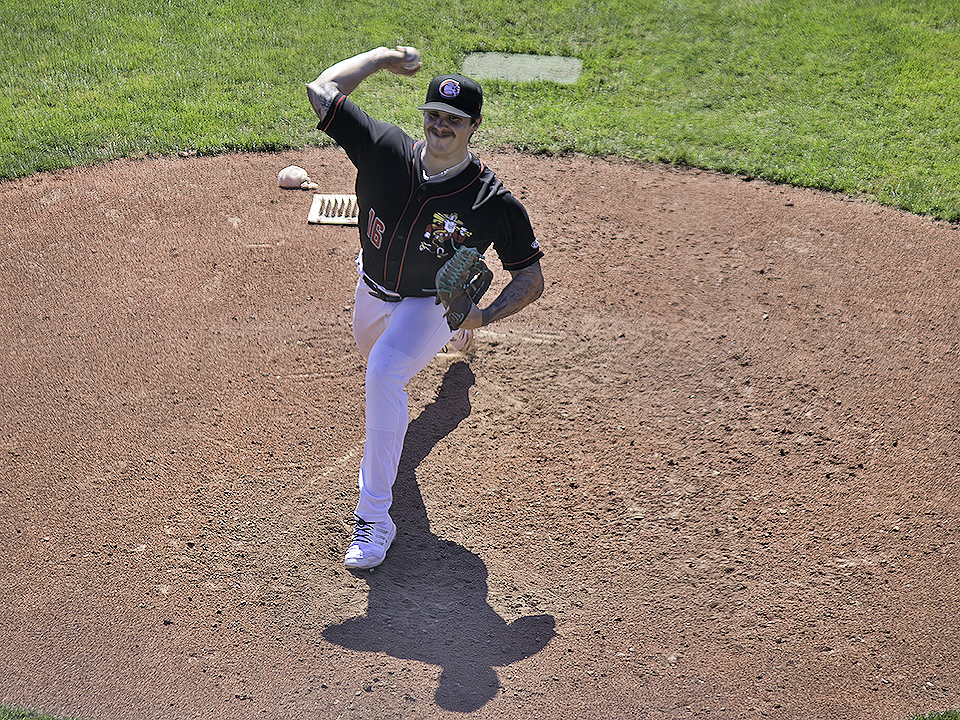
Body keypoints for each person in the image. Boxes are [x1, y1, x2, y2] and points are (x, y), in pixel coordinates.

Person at [305, 46, 545, 569]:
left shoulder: (490, 201)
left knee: (385, 373)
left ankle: (374, 517)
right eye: (434, 115)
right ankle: (454, 356)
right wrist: (380, 58)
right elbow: (321, 91)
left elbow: (530, 274)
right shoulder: (385, 149)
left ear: (473, 127)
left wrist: (483, 314)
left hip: (431, 303)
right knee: (377, 357)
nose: (441, 125)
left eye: (454, 120)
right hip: (371, 289)